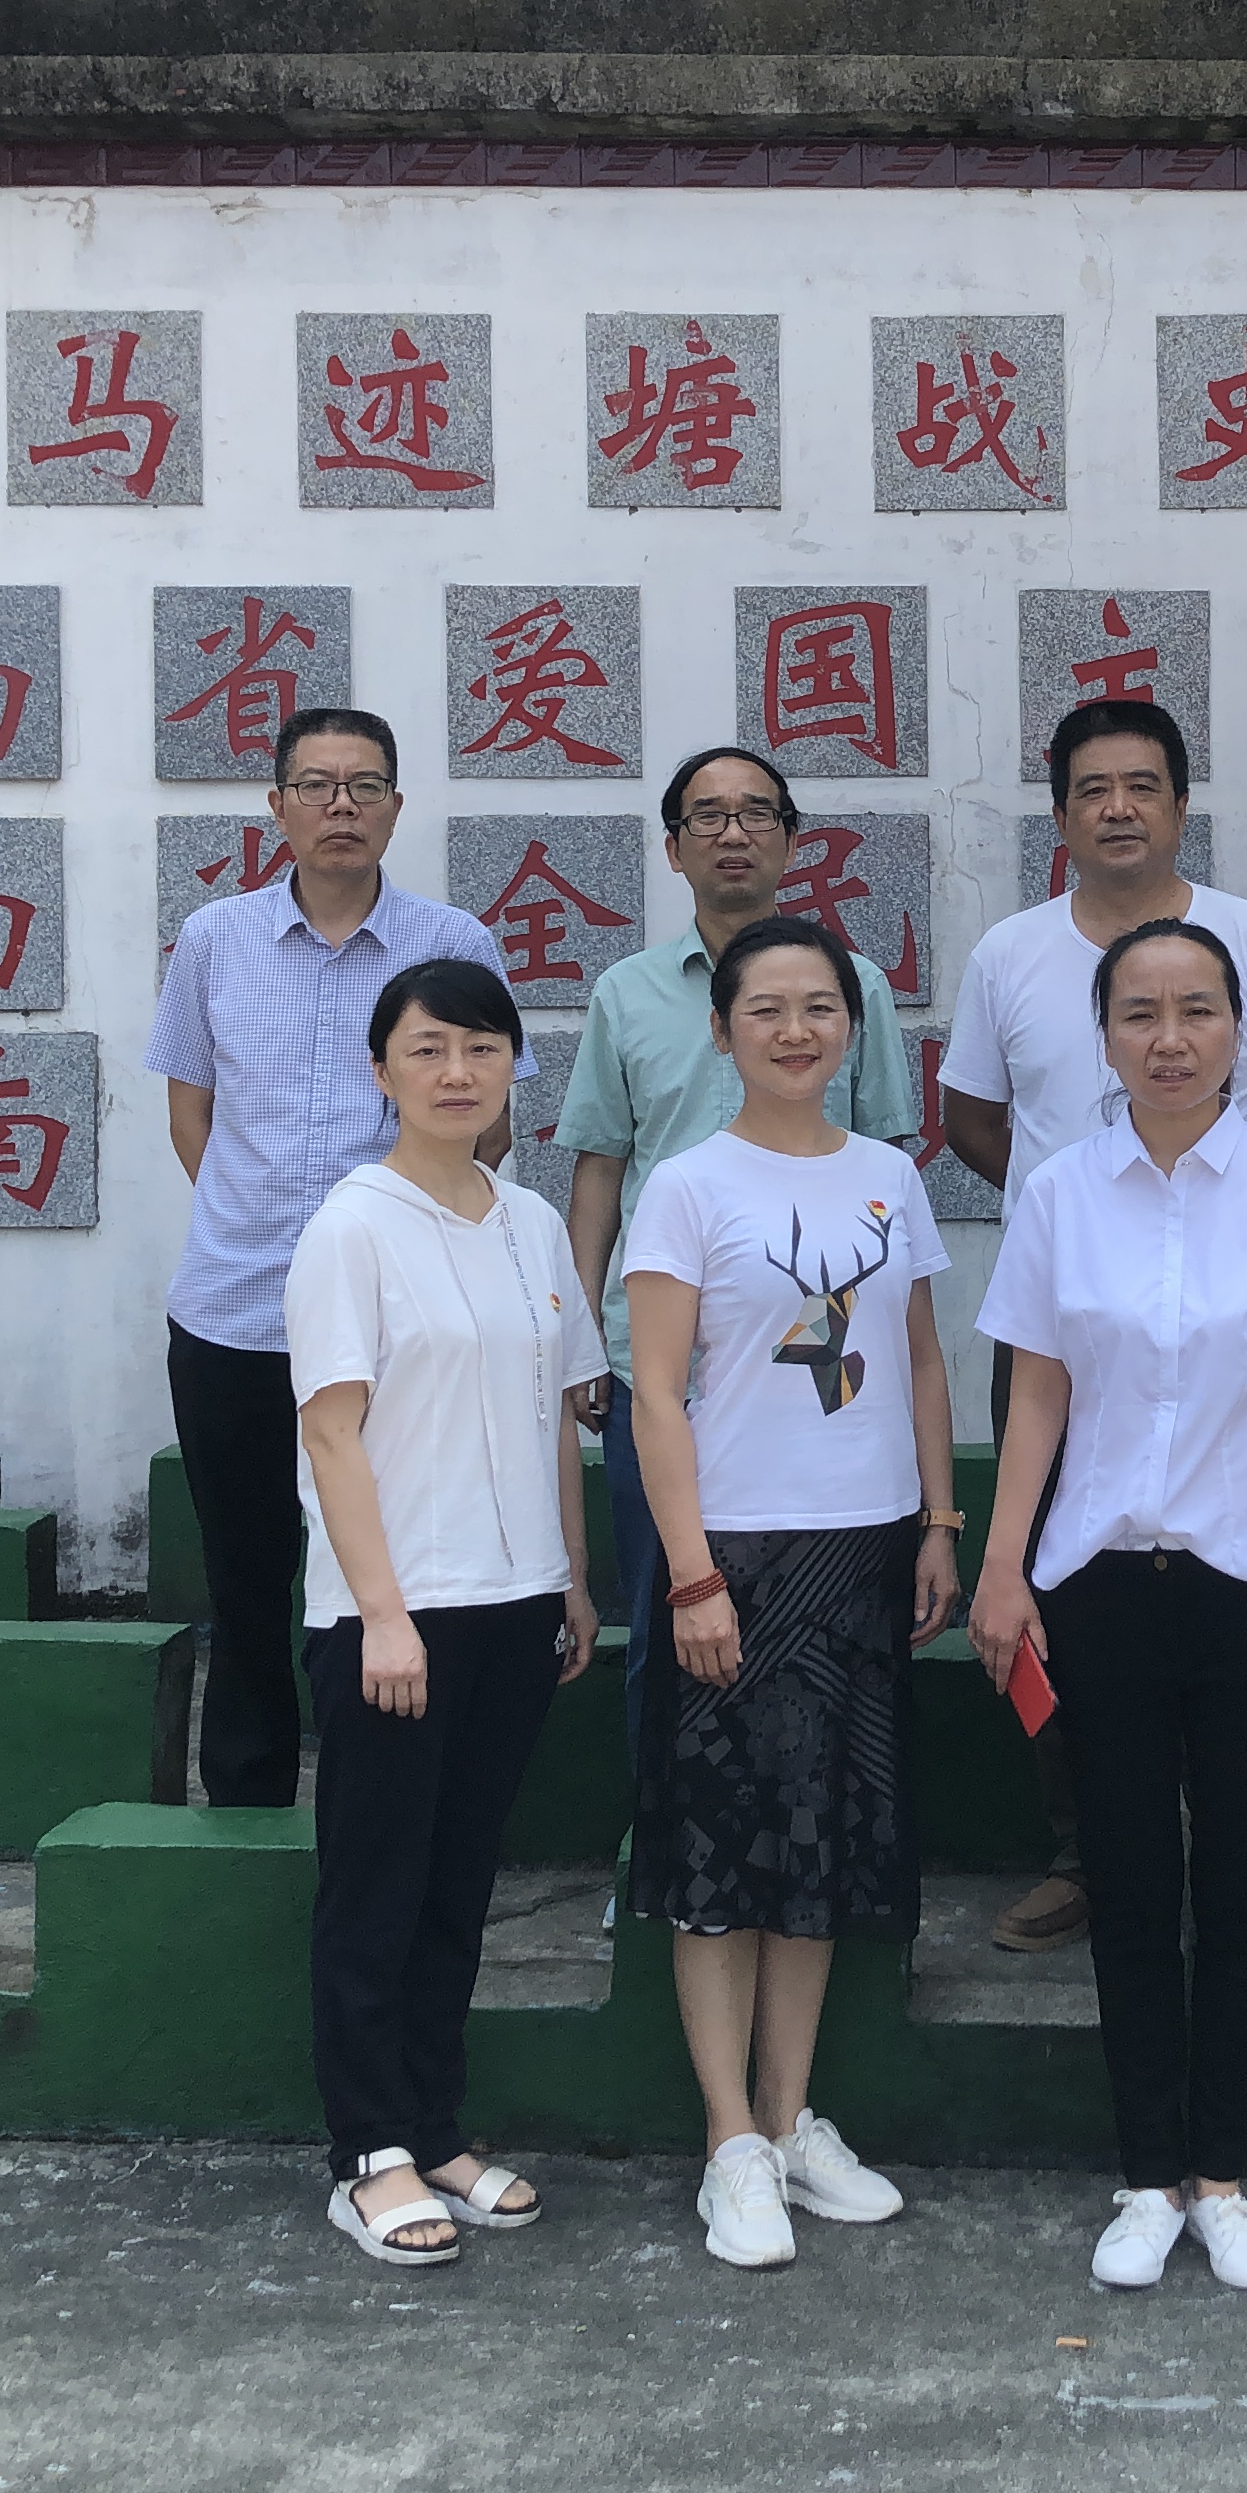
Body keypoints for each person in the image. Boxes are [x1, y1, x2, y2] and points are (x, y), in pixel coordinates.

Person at [969, 921, 1247, 2294]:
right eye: (1139, 1013)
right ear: (1102, 1039)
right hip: (1098, 1584)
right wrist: (1004, 1565)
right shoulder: (1060, 1193)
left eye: (1197, 1010)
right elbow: (1038, 1391)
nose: (1169, 1038)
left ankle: (1226, 2177)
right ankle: (1149, 2175)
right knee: (1133, 1887)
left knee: (1246, 1885)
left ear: (1238, 1033)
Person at [940, 698, 1247, 1958]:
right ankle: (1087, 1849)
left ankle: (1226, 1845)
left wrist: (1208, 1221)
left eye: (1143, 785)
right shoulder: (1011, 952)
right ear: (1060, 813)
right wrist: (1088, 1227)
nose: (1118, 808)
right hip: (1070, 1323)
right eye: (1092, 789)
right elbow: (971, 1118)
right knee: (1055, 1583)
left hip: (1223, 1332)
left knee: (1224, 1583)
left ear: (1180, 803)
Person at [624, 915, 960, 2272]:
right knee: (721, 1849)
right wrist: (693, 1574)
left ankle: (788, 2118)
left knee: (820, 1843)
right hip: (738, 1556)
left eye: (820, 1007)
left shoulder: (888, 1175)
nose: (795, 1031)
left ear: (853, 1027)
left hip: (863, 1548)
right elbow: (656, 1393)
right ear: (722, 1032)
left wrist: (938, 1521)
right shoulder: (689, 1186)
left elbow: (921, 1360)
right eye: (765, 1009)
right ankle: (728, 2143)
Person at [287, 957, 606, 2266]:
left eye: (482, 1047)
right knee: (376, 1890)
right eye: (427, 1050)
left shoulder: (529, 1224)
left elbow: (556, 1419)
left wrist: (571, 1578)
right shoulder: (351, 1227)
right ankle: (368, 2153)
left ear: (513, 1068)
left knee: (458, 1887)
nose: (457, 1072)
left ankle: (435, 2127)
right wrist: (383, 1615)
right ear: (383, 1073)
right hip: (396, 1616)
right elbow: (331, 1434)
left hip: (514, 1604)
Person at [151, 707, 521, 1810]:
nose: (340, 806)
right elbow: (189, 1114)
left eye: (364, 786)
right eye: (315, 785)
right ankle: (250, 1795)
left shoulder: (454, 944)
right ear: (278, 807)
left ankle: (384, 1792)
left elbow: (489, 1123)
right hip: (237, 1307)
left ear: (397, 807)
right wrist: (290, 1242)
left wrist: (390, 1248)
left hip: (405, 1323)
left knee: (391, 1561)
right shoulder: (214, 938)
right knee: (248, 1568)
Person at [559, 747, 913, 1797]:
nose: (732, 833)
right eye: (705, 817)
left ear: (791, 841)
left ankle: (811, 1840)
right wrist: (580, 1339)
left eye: (756, 813)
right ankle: (663, 1844)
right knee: (667, 1612)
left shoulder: (859, 989)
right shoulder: (625, 994)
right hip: (656, 1369)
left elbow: (885, 1165)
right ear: (673, 849)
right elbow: (600, 1173)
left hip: (810, 1372)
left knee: (823, 1625)